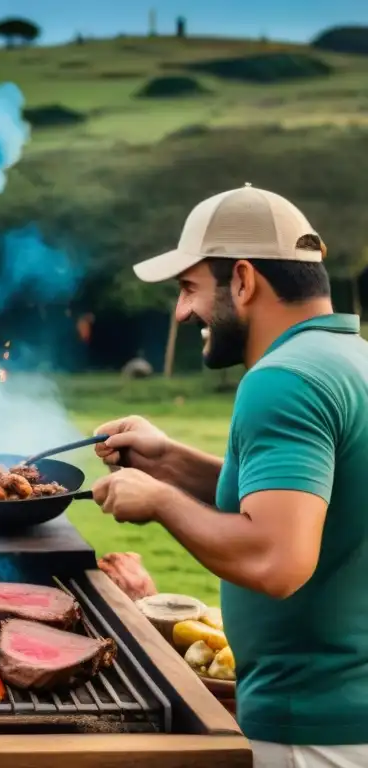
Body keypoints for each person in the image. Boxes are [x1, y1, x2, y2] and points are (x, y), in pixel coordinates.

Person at [90, 184, 368, 766]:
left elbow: (277, 558)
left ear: (242, 280)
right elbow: (307, 501)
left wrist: (161, 500)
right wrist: (166, 459)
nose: (182, 310)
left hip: (312, 727)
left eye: (190, 288)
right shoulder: (349, 361)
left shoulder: (281, 379)